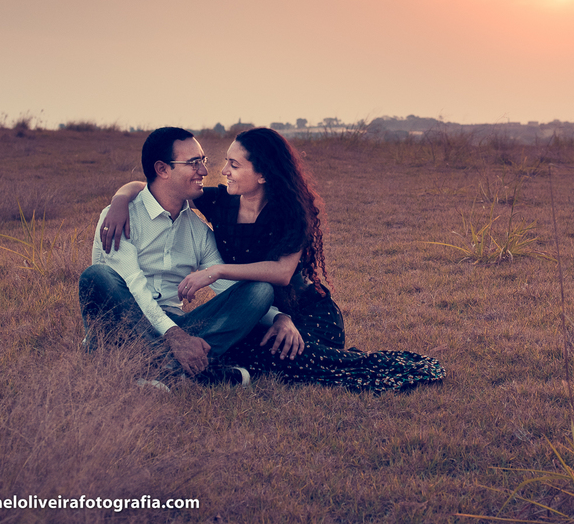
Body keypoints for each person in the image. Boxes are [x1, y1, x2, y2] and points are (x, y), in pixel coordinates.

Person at [100, 127, 444, 393]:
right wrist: (119, 199)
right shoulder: (221, 203)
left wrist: (227, 277)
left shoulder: (292, 213)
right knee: (242, 346)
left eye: (232, 165)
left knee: (273, 350)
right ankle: (193, 369)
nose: (217, 171)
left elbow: (280, 273)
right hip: (252, 309)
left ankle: (173, 369)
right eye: (216, 163)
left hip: (300, 310)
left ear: (262, 174)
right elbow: (155, 187)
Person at [79, 127, 275, 386]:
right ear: (162, 170)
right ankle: (195, 371)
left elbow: (229, 289)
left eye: (202, 161)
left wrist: (278, 317)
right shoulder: (120, 219)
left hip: (177, 322)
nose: (204, 171)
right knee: (97, 276)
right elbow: (134, 288)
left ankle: (163, 369)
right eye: (194, 163)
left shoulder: (197, 230)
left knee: (259, 290)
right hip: (122, 324)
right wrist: (176, 337)